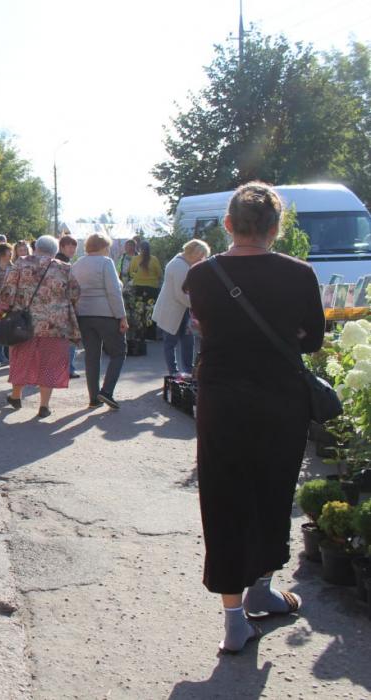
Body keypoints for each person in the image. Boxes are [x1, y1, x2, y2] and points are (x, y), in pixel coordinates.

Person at [185, 181, 324, 654]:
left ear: (227, 225)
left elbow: (204, 327)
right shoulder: (299, 274)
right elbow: (311, 340)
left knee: (223, 498)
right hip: (280, 401)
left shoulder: (201, 275)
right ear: (276, 228)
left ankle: (233, 617)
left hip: (222, 401)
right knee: (272, 490)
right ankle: (262, 585)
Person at [0, 235, 80, 418]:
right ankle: (44, 406)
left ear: (36, 248)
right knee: (49, 364)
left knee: (21, 359)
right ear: (55, 251)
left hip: (24, 324)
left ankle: (16, 396)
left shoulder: (21, 263)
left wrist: (2, 309)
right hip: (55, 324)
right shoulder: (64, 267)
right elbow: (74, 293)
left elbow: (8, 289)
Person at [71, 232, 128, 409]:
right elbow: (113, 292)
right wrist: (122, 316)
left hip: (84, 315)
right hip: (106, 314)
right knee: (119, 352)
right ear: (103, 247)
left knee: (92, 356)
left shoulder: (77, 264)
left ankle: (94, 398)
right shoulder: (106, 262)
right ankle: (107, 391)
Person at [152, 239, 211, 378]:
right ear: (195, 253)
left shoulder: (181, 263)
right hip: (173, 311)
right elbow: (181, 294)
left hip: (181, 311)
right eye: (202, 256)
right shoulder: (179, 266)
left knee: (186, 341)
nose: (202, 260)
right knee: (171, 342)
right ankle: (175, 372)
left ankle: (186, 372)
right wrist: (199, 306)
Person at [56, 234, 80, 377]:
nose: (72, 249)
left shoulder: (66, 261)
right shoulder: (62, 263)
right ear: (62, 247)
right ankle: (68, 369)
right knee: (70, 338)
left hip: (59, 306)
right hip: (64, 307)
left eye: (74, 246)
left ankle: (65, 368)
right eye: (69, 246)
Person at [129, 240, 162, 339]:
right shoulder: (154, 259)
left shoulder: (135, 259)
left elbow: (131, 272)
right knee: (150, 311)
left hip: (138, 288)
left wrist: (138, 276)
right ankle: (150, 335)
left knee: (139, 311)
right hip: (152, 288)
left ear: (139, 248)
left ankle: (139, 334)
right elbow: (159, 274)